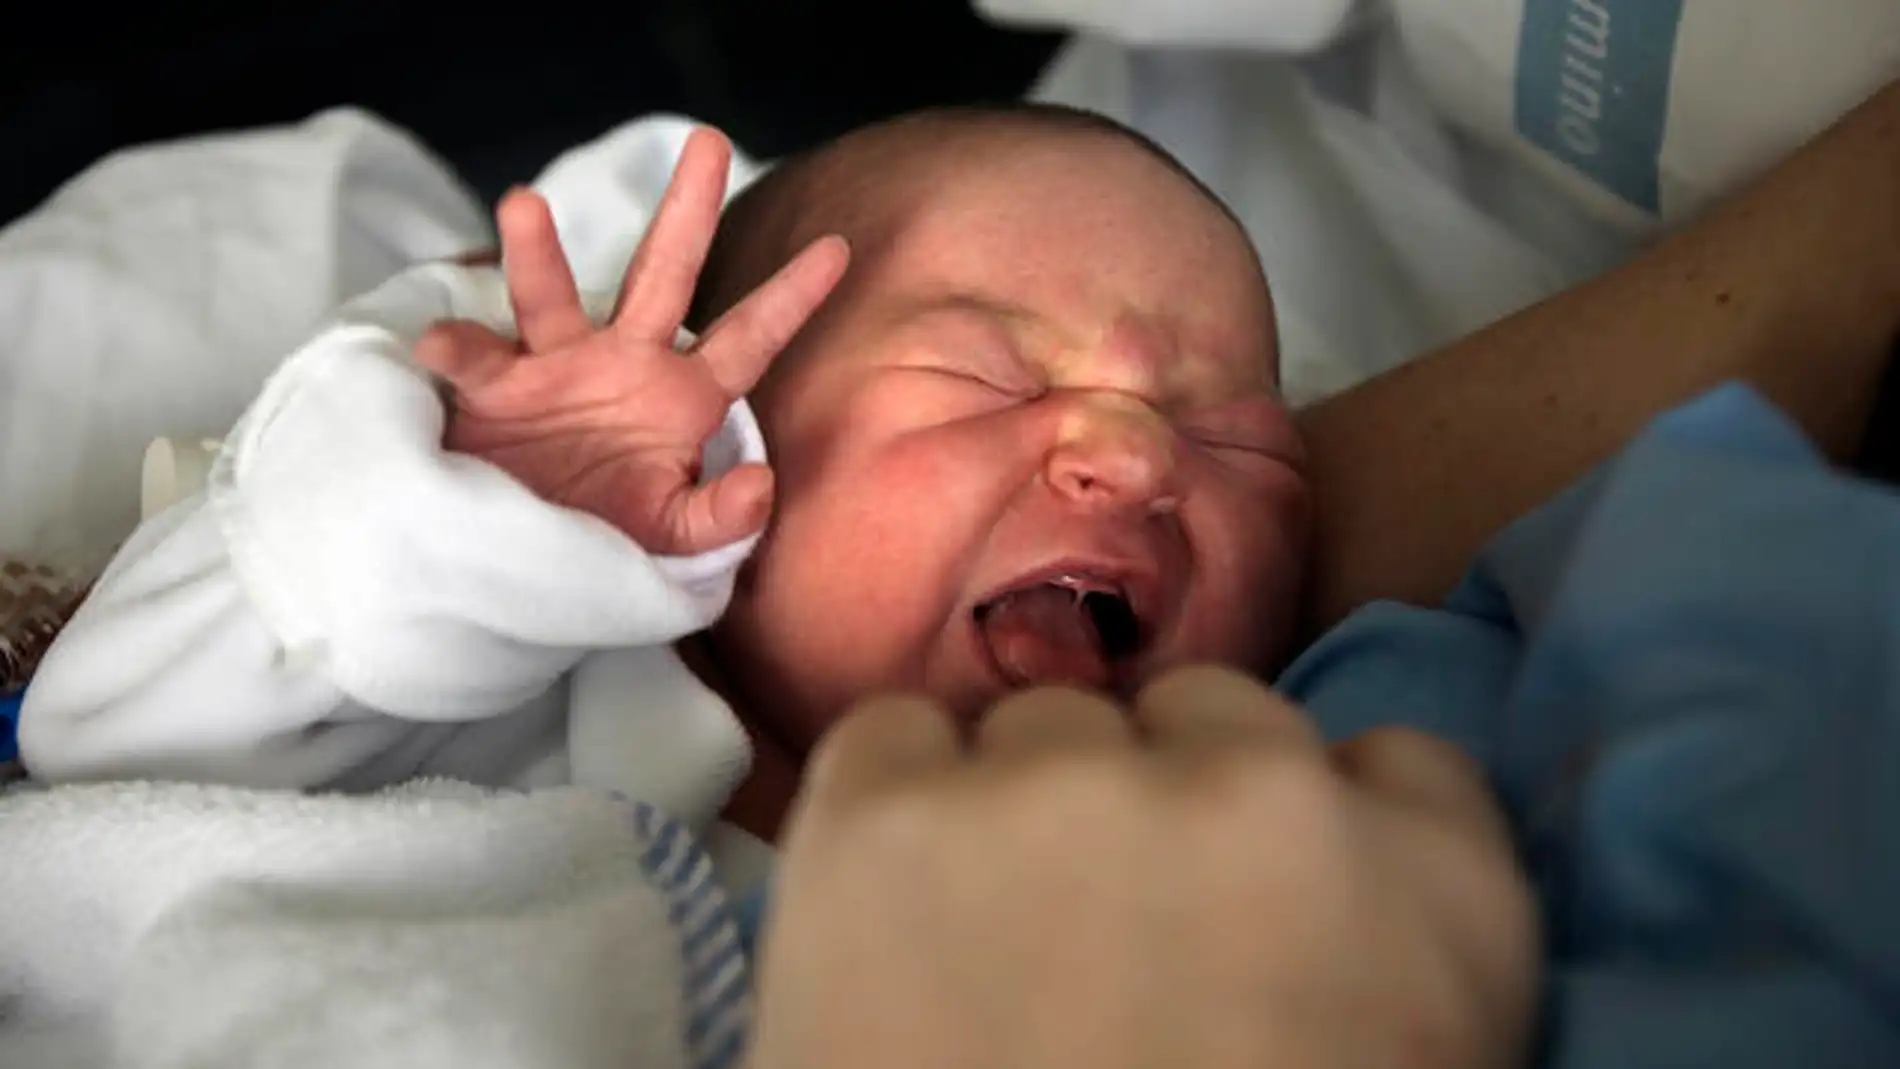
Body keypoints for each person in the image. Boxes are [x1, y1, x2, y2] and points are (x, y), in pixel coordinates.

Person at [18, 75, 1900, 845]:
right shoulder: (485, 706)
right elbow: (125, 743)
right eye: (991, 378)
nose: (1134, 447)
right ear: (717, 437)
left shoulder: (1268, 787)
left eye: (1246, 435)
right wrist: (468, 538)